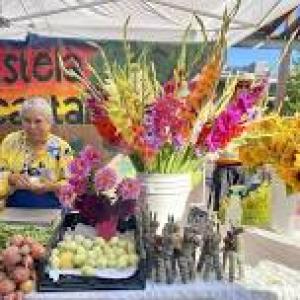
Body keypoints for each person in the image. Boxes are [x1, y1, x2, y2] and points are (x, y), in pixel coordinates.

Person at [0, 97, 73, 208]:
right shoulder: (10, 142)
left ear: (49, 122)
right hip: (13, 207)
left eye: (38, 121)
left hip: (52, 207)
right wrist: (11, 178)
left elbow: (72, 182)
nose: (32, 126)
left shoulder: (60, 147)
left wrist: (50, 186)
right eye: (27, 121)